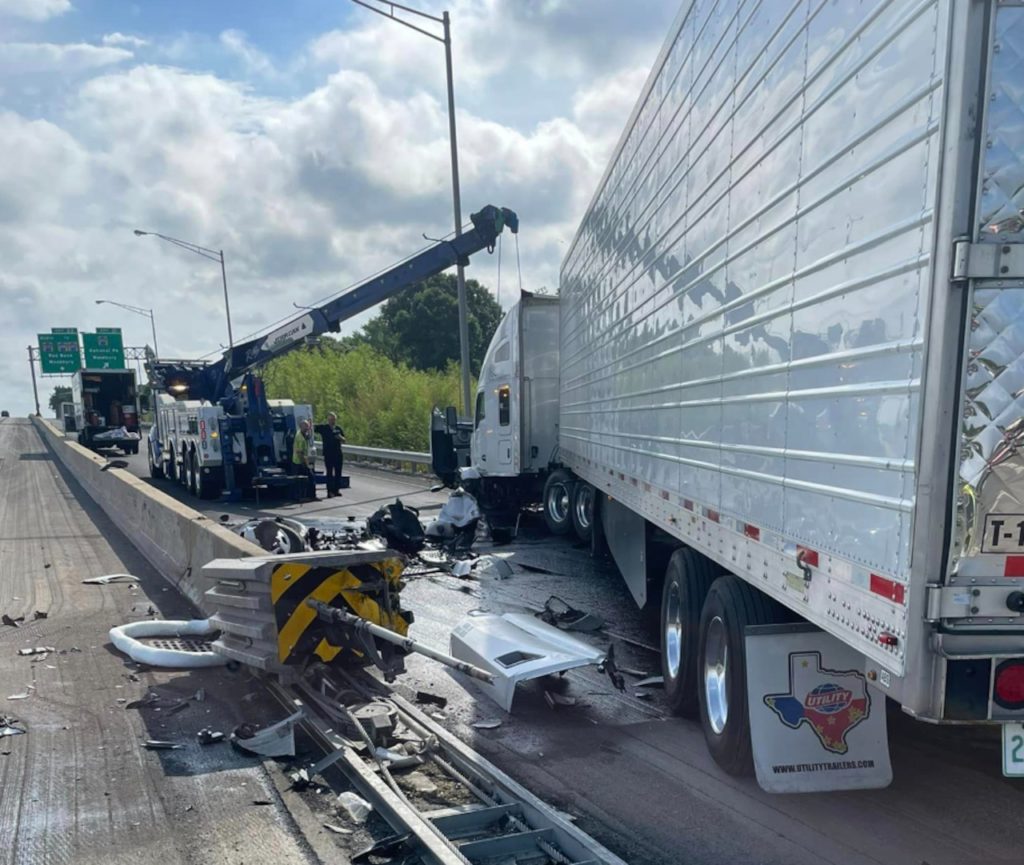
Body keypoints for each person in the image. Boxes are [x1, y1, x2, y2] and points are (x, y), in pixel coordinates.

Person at [314, 411, 346, 497]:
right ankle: (329, 491)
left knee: (338, 472)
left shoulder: (338, 428)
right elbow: (313, 428)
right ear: (328, 420)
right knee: (329, 473)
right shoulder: (324, 428)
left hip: (338, 453)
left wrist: (340, 437)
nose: (332, 421)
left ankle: (336, 490)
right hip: (328, 454)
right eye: (331, 419)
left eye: (334, 419)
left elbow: (344, 440)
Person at [292, 418, 317, 500]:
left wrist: (310, 424)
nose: (307, 428)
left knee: (306, 479)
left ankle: (306, 496)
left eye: (308, 426)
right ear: (301, 426)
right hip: (299, 461)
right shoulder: (300, 438)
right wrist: (306, 463)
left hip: (303, 460)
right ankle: (305, 496)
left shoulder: (303, 434)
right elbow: (300, 453)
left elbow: (309, 436)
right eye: (305, 426)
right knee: (304, 479)